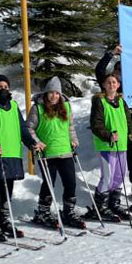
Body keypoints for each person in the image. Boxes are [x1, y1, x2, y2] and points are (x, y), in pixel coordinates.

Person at [0, 75, 44, 240]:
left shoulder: (14, 105)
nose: (3, 89)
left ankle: (2, 220)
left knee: (8, 189)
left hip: (12, 153)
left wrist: (31, 143)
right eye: (0, 86)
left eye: (6, 86)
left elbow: (22, 129)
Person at [27, 77, 86, 229]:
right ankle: (43, 211)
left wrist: (73, 139)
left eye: (57, 93)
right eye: (51, 93)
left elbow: (70, 126)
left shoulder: (66, 106)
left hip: (65, 150)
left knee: (70, 182)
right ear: (46, 93)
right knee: (49, 182)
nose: (54, 96)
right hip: (47, 153)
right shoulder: (37, 108)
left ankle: (69, 211)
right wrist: (36, 142)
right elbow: (29, 128)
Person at [96, 43, 132, 206]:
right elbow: (100, 71)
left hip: (131, 124)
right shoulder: (111, 86)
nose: (119, 75)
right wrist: (111, 54)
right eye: (117, 71)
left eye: (122, 72)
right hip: (114, 131)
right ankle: (106, 197)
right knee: (113, 168)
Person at [91, 74, 132, 221]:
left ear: (118, 85)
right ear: (104, 85)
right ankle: (100, 207)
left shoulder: (121, 101)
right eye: (109, 82)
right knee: (108, 176)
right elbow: (96, 124)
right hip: (106, 144)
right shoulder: (100, 101)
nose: (112, 85)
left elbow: (127, 119)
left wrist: (131, 132)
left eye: (114, 82)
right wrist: (108, 135)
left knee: (120, 175)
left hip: (121, 144)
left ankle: (114, 203)